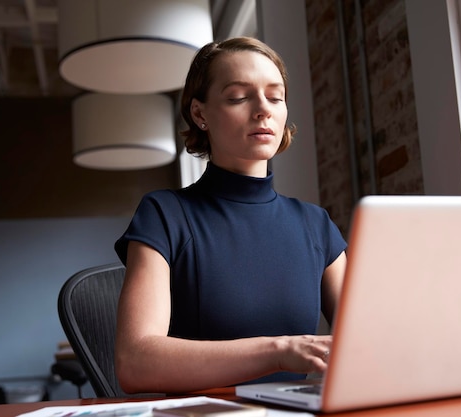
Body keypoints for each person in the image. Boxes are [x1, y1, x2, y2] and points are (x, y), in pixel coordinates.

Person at [114, 36, 348, 394]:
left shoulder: (316, 225)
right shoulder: (164, 214)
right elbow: (135, 363)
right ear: (200, 114)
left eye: (276, 96)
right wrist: (279, 351)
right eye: (239, 96)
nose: (263, 109)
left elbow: (367, 342)